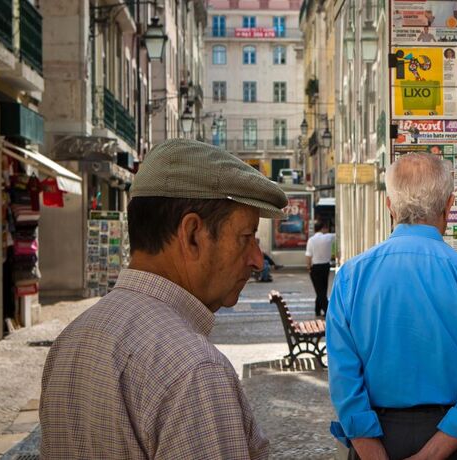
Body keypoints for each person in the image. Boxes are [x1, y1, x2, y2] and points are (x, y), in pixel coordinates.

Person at [39, 139, 287, 459]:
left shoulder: (71, 340)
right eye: (246, 237)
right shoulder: (195, 371)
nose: (256, 259)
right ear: (193, 235)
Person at [327, 153, 457, 460]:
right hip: (456, 445)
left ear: (390, 206)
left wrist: (371, 452)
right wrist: (432, 454)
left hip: (379, 436)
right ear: (449, 205)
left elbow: (343, 375)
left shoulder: (350, 278)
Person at [306, 221, 336, 317]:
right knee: (322, 289)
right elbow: (337, 235)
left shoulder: (311, 240)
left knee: (319, 290)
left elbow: (308, 255)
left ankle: (327, 312)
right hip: (325, 266)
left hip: (315, 267)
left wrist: (309, 267)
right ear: (323, 228)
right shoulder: (329, 237)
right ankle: (318, 310)